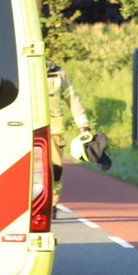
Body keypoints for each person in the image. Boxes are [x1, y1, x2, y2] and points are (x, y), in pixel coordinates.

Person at [47, 62, 110, 192]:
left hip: (53, 133)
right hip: (23, 131)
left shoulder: (57, 72)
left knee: (55, 173)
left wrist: (83, 126)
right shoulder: (20, 68)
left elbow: (73, 99)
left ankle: (52, 207)